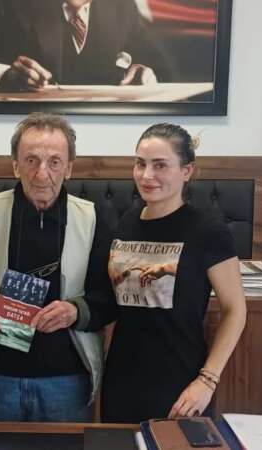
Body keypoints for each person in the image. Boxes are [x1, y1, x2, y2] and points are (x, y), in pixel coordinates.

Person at [0, 112, 111, 421]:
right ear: (15, 165)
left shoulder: (92, 218)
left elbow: (108, 299)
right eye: (31, 160)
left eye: (54, 162)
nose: (41, 173)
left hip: (67, 379)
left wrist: (75, 311)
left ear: (69, 168)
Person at [79, 123, 247, 422]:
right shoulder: (125, 224)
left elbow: (235, 310)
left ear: (186, 171)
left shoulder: (208, 231)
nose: (146, 175)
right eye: (140, 163)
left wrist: (207, 380)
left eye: (160, 165)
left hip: (181, 385)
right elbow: (111, 303)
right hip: (121, 381)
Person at [0, 0, 178, 91]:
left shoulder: (121, 7)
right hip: (28, 132)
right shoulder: (11, 5)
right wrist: (5, 75)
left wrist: (144, 72)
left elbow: (162, 69)